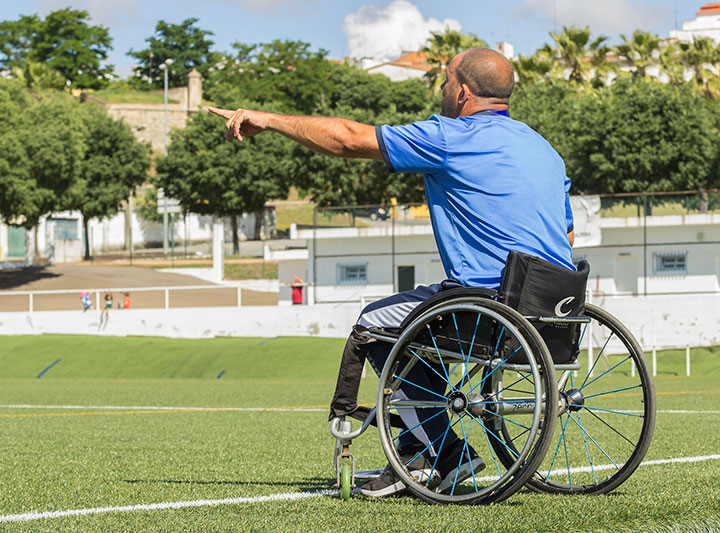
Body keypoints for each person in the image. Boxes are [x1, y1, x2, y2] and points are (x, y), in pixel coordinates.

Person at [209, 48, 575, 497]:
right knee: (414, 326)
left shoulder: (450, 136)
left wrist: (266, 119)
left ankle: (439, 455)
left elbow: (347, 138)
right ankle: (424, 451)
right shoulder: (544, 149)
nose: (441, 90)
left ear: (461, 91)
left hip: (487, 306)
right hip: (553, 308)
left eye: (444, 82)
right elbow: (567, 235)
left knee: (373, 324)